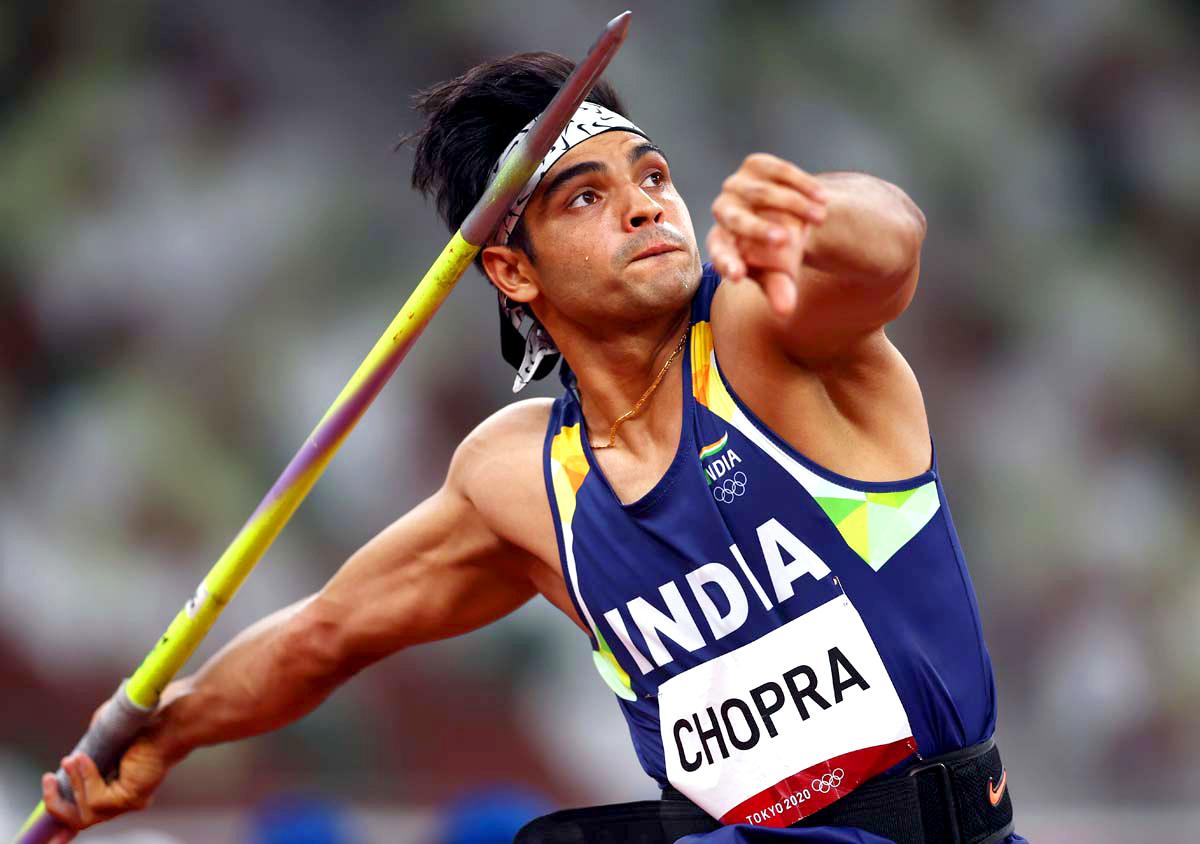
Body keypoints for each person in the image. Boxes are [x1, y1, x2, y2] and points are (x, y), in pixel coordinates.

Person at [42, 52, 1024, 843]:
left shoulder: (768, 345)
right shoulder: (519, 479)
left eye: (653, 176)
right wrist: (168, 732)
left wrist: (811, 213)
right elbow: (327, 633)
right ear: (513, 270)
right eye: (585, 199)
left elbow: (887, 252)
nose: (645, 204)